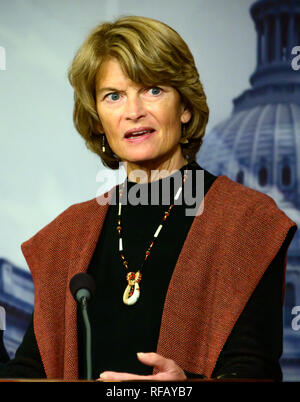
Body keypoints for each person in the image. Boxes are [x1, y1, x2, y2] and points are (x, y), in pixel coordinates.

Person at [0, 16, 297, 381]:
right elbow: (31, 370)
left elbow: (254, 369)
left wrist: (184, 387)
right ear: (97, 120)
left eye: (153, 90)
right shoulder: (66, 236)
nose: (133, 110)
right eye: (114, 96)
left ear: (185, 107)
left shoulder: (248, 221)